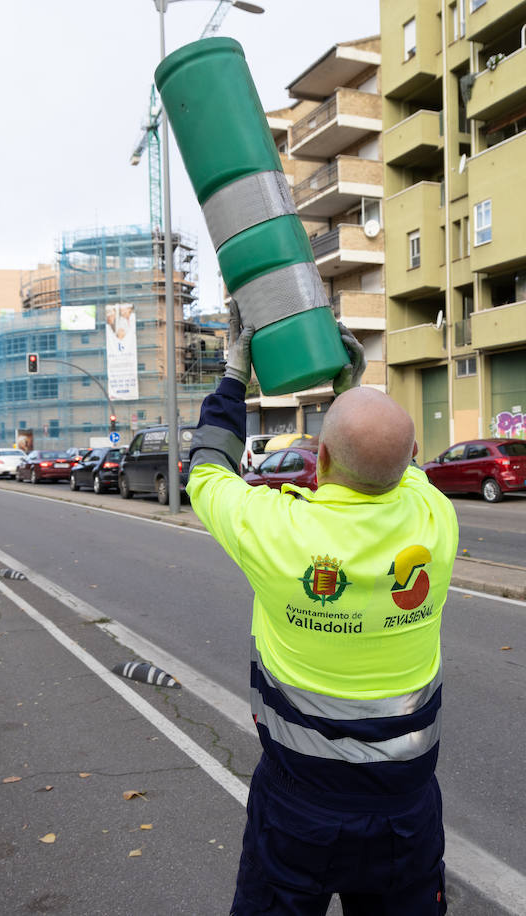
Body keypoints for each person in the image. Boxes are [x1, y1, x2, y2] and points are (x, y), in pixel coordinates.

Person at [188, 307, 459, 915]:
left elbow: (206, 471)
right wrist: (354, 390)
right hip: (406, 816)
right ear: (411, 459)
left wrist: (234, 376)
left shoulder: (276, 530)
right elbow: (396, 461)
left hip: (297, 813)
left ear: (321, 461)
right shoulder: (436, 520)